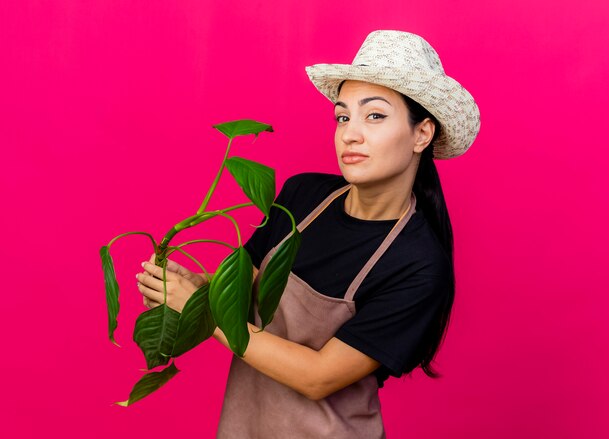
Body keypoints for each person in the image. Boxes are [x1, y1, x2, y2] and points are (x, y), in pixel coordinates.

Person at [136, 30, 480, 438]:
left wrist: (202, 311)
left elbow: (318, 377)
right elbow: (247, 285)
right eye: (342, 116)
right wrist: (199, 287)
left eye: (375, 115)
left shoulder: (419, 265)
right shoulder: (301, 195)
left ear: (421, 134)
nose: (350, 133)